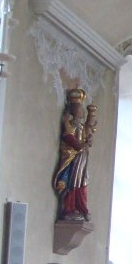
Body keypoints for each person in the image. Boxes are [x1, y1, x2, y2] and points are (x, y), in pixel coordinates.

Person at [52, 82, 97, 221]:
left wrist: (87, 141)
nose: (82, 110)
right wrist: (82, 144)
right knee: (73, 183)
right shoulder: (70, 125)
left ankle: (81, 208)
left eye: (82, 108)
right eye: (80, 108)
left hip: (82, 159)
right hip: (73, 159)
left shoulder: (82, 126)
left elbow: (88, 135)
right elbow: (69, 138)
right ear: (74, 110)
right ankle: (69, 208)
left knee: (82, 182)